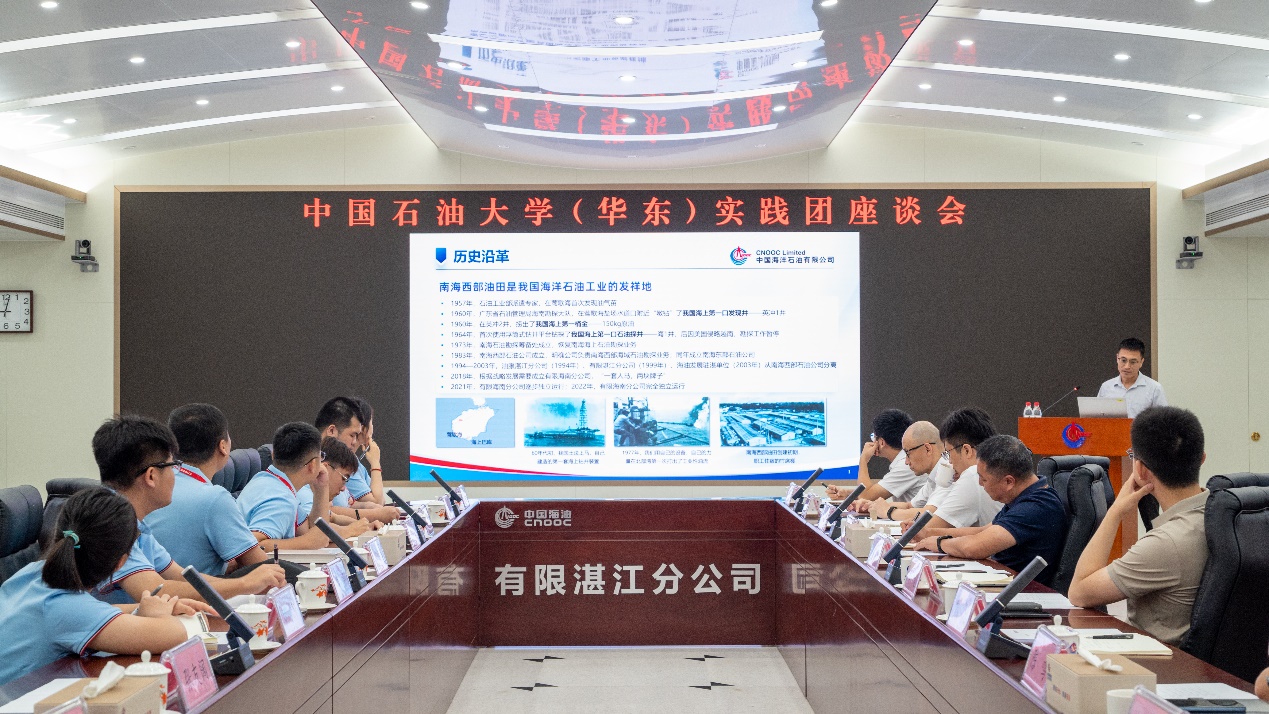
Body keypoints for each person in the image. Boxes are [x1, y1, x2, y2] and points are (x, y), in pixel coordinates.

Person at [0, 488, 206, 685]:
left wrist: (143, 608)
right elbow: (174, 635)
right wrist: (158, 615)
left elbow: (88, 613)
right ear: (121, 563)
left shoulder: (33, 572)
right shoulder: (68, 609)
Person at [91, 415, 287, 605]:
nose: (176, 474)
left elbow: (183, 577)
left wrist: (245, 583)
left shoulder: (135, 523)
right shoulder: (110, 524)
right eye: (173, 466)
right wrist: (244, 584)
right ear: (151, 476)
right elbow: (155, 590)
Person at [1067, 406, 1207, 645]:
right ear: (1202, 459)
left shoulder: (1165, 543)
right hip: (1202, 662)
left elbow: (1079, 592)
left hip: (1149, 659)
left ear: (1140, 469)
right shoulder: (1228, 515)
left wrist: (1116, 511)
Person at [913, 435, 1067, 586]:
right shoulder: (1025, 495)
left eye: (984, 479)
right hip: (1000, 579)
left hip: (1019, 592)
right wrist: (928, 533)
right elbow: (984, 531)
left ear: (1008, 481)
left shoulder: (1036, 507)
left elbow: (974, 547)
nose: (980, 483)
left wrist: (939, 543)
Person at [146, 404, 272, 576]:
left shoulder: (150, 485)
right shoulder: (214, 498)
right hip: (195, 591)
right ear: (223, 446)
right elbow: (261, 567)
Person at [237, 422, 369, 550]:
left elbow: (310, 529)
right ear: (312, 465)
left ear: (273, 455)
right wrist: (308, 542)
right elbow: (254, 547)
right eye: (321, 457)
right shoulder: (281, 498)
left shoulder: (269, 481)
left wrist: (322, 488)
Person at [899, 408, 1003, 536]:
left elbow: (923, 531)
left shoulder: (973, 475)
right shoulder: (997, 469)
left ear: (966, 451)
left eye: (948, 453)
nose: (949, 461)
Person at [825, 409, 918, 505]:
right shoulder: (903, 461)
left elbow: (866, 497)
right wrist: (846, 493)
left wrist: (863, 460)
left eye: (873, 436)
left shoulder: (906, 465)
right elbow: (875, 491)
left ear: (881, 442)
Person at [857, 421, 945, 519]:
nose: (906, 462)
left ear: (927, 449)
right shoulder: (933, 477)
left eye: (908, 453)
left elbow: (929, 514)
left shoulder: (948, 473)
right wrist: (872, 506)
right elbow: (909, 506)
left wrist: (888, 512)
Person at [323, 437, 397, 526]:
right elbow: (326, 519)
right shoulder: (310, 491)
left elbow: (333, 515)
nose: (355, 442)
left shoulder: (351, 467)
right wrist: (375, 514)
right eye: (353, 435)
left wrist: (368, 508)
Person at [1097, 337, 1167, 417]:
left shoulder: (1154, 389)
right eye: (1123, 360)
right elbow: (1097, 418)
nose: (1127, 366)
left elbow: (1163, 420)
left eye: (1133, 362)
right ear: (1117, 358)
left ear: (1141, 362)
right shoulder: (1106, 387)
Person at [348, 397, 385, 506]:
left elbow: (381, 500)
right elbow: (377, 503)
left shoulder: (355, 461)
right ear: (363, 428)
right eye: (371, 422)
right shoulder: (346, 463)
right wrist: (375, 463)